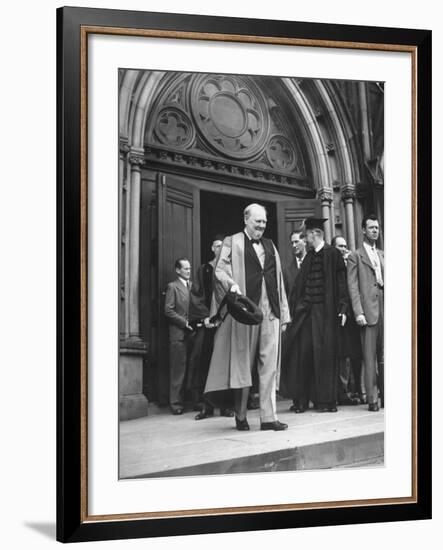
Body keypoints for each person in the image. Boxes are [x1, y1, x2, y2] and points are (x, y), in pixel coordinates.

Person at [204, 203, 291, 431]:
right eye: (257, 221)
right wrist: (231, 283)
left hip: (270, 312)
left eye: (264, 222)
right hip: (246, 312)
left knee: (270, 365)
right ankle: (240, 416)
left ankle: (268, 417)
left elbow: (279, 280)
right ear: (246, 220)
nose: (262, 226)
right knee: (242, 365)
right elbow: (220, 270)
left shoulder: (271, 245)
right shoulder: (231, 242)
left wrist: (284, 314)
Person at [284, 218, 349, 413]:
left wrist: (343, 309)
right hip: (307, 315)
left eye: (306, 236)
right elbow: (299, 288)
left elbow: (341, 284)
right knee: (303, 355)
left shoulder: (333, 254)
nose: (305, 240)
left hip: (326, 315)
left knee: (325, 357)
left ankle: (325, 401)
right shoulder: (309, 257)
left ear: (315, 234)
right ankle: (301, 400)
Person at [187, 235, 234, 420]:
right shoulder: (204, 270)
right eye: (217, 246)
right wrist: (207, 316)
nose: (220, 248)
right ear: (212, 249)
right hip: (209, 325)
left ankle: (226, 407)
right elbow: (196, 295)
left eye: (223, 246)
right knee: (207, 365)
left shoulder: (231, 271)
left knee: (227, 365)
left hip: (227, 322)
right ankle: (206, 407)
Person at [347, 215, 384, 411]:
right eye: (371, 228)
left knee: (385, 355)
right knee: (369, 357)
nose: (375, 231)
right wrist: (358, 312)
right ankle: (372, 399)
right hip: (368, 311)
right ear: (363, 230)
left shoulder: (382, 254)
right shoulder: (356, 255)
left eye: (377, 228)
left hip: (384, 307)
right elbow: (352, 287)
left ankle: (386, 396)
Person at [331, 235, 363, 405]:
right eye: (339, 246)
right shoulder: (333, 265)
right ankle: (342, 391)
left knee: (355, 356)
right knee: (342, 356)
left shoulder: (352, 261)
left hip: (355, 317)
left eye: (345, 246)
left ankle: (356, 389)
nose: (343, 249)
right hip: (340, 316)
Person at [164, 258, 194, 415]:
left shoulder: (192, 286)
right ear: (177, 270)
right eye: (185, 269)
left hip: (192, 333)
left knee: (191, 369)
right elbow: (168, 311)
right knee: (178, 370)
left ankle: (190, 401)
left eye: (189, 268)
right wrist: (184, 323)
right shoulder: (173, 287)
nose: (188, 271)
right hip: (179, 334)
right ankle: (175, 404)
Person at [283, 230, 307, 298]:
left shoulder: (314, 264)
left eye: (296, 242)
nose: (294, 245)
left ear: (305, 242)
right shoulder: (286, 272)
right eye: (292, 243)